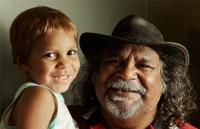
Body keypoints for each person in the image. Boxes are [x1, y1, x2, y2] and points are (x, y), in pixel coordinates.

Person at [68, 15, 197, 129]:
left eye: (143, 65)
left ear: (165, 82)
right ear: (95, 74)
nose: (126, 74)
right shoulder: (59, 119)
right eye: (115, 61)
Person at [0, 6, 80, 129]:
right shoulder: (40, 95)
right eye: (50, 55)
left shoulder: (44, 95)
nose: (65, 63)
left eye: (71, 52)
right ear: (23, 62)